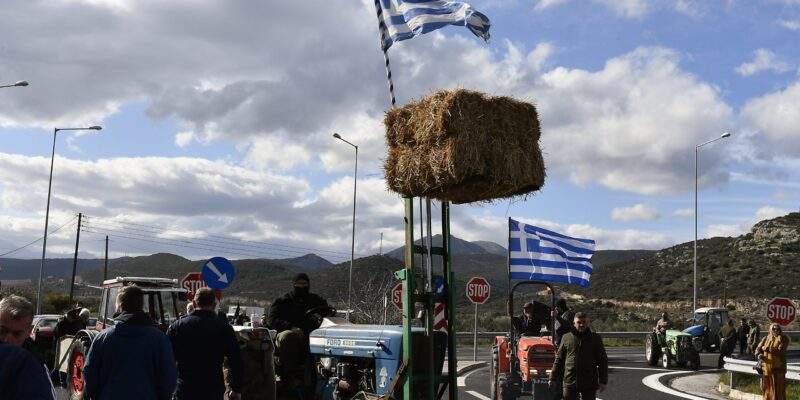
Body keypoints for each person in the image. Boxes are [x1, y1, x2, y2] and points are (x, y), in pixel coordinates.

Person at [83, 285, 177, 400]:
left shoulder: (103, 338)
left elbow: (90, 372)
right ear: (141, 305)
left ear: (120, 306)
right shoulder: (160, 339)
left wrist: (96, 395)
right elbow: (169, 376)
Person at [168, 287, 244, 400]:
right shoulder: (224, 328)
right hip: (213, 389)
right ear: (214, 305)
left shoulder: (177, 327)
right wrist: (236, 388)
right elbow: (236, 361)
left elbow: (167, 359)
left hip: (185, 389)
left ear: (194, 303)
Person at [267, 273, 333, 384]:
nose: (302, 286)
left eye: (304, 284)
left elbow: (328, 311)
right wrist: (290, 327)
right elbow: (272, 320)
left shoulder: (315, 300)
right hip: (291, 333)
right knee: (288, 336)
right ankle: (290, 375)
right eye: (299, 284)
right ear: (294, 284)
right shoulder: (283, 301)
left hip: (313, 333)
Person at [550, 312, 608, 400]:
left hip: (589, 381)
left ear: (587, 323)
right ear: (574, 323)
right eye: (579, 322)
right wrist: (552, 378)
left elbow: (602, 361)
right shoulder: (566, 337)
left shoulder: (595, 338)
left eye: (584, 322)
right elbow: (559, 359)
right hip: (570, 380)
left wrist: (603, 381)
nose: (581, 324)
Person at [755, 323, 790, 400]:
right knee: (767, 389)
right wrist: (759, 354)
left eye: (777, 329)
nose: (775, 330)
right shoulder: (766, 338)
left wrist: (766, 348)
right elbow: (758, 349)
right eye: (773, 329)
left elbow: (780, 351)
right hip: (766, 368)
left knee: (778, 390)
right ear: (770, 329)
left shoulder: (784, 338)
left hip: (778, 369)